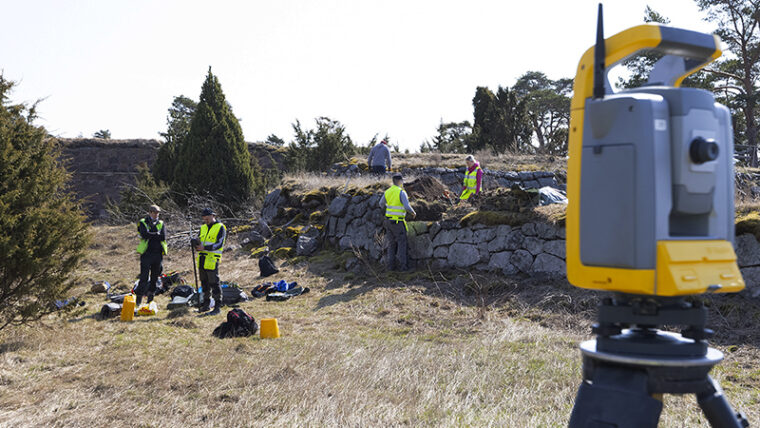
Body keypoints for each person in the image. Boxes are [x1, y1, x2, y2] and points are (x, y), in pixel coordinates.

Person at [192, 208, 227, 315]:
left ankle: (217, 306)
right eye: (204, 218)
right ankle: (206, 305)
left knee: (214, 283)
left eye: (207, 217)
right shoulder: (202, 228)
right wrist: (195, 243)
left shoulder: (220, 227)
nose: (205, 220)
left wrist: (205, 247)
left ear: (213, 215)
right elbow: (200, 240)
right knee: (204, 283)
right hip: (201, 259)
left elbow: (219, 244)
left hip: (212, 259)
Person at [379, 174, 416, 271]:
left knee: (391, 244)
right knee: (402, 243)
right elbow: (407, 206)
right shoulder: (401, 192)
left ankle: (391, 267)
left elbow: (381, 204)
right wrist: (413, 212)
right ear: (399, 181)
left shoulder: (387, 191)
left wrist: (388, 209)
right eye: (402, 180)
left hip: (388, 221)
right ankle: (403, 267)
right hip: (398, 222)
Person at [135, 205, 167, 307]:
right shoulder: (143, 222)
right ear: (149, 212)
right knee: (143, 277)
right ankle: (138, 301)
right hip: (146, 254)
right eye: (153, 212)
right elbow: (144, 234)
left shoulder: (161, 223)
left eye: (157, 212)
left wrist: (152, 234)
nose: (155, 214)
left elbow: (163, 236)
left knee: (154, 278)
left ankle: (150, 300)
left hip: (158, 254)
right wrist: (156, 234)